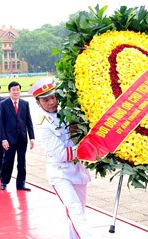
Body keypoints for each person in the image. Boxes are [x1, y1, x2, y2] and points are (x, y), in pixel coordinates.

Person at [29, 77, 93, 239]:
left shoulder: (69, 113)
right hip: (60, 173)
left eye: (53, 97)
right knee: (74, 209)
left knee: (79, 212)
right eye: (46, 100)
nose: (51, 102)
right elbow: (62, 154)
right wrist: (89, 146)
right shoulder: (42, 125)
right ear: (38, 103)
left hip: (78, 170)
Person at [0, 81, 35, 191]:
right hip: (9, 139)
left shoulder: (25, 103)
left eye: (17, 90)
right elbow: (1, 123)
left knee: (22, 162)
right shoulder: (4, 104)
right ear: (9, 92)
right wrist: (3, 139)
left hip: (22, 138)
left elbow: (29, 121)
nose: (16, 92)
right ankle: (4, 181)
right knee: (8, 161)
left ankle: (21, 184)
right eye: (13, 90)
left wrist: (32, 137)